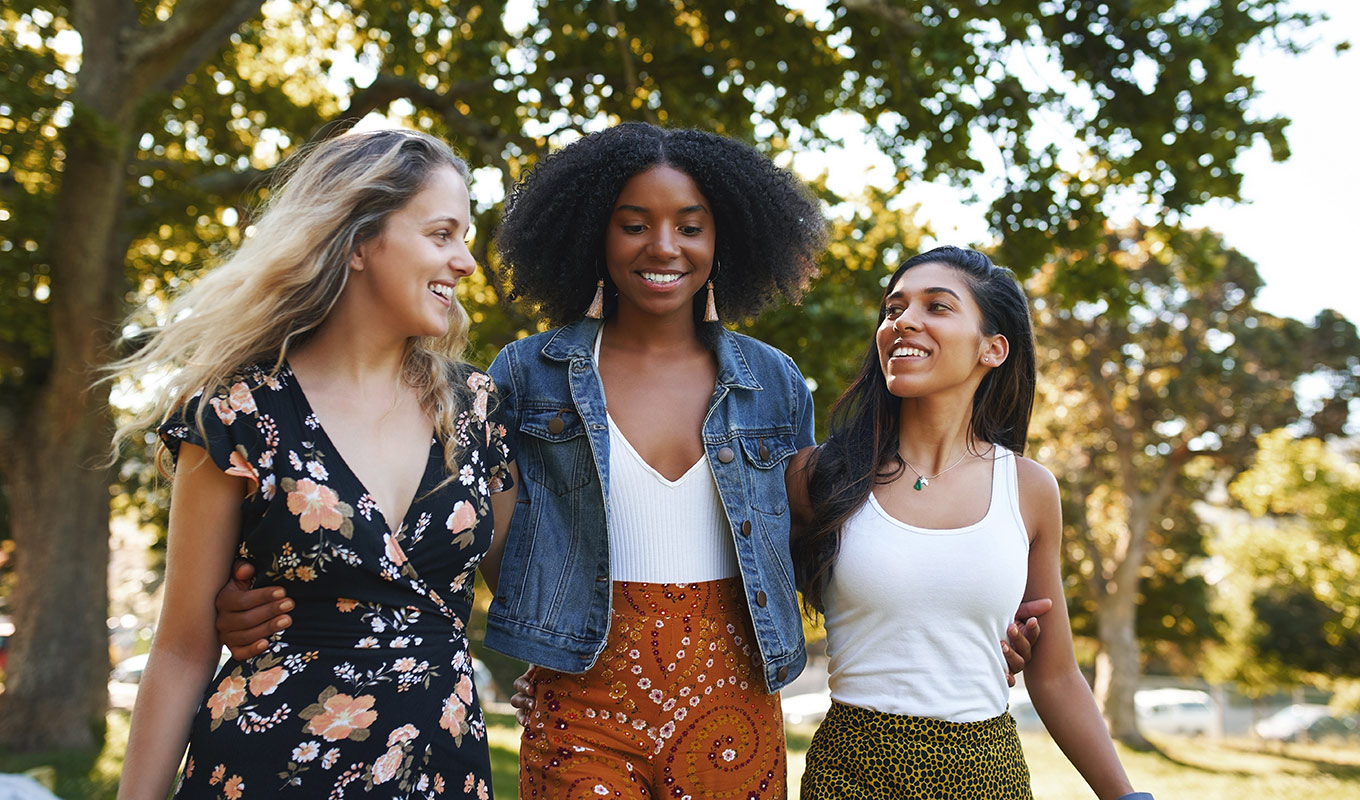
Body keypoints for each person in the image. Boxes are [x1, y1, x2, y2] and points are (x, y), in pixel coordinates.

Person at [212, 124, 1047, 797]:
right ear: (594, 232)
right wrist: (268, 598)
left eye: (691, 224)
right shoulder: (524, 374)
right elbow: (471, 541)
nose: (664, 245)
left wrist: (958, 616)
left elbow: (810, 547)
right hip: (579, 694)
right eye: (634, 222)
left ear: (725, 238)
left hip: (735, 703)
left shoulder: (773, 382)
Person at [112, 129, 518, 800]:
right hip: (262, 772)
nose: (467, 262)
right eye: (443, 234)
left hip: (440, 775)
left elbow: (532, 599)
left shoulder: (476, 410)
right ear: (360, 240)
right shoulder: (238, 412)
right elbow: (182, 649)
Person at [788, 246, 1152, 799]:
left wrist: (1127, 797)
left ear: (993, 348)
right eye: (893, 308)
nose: (903, 320)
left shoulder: (1029, 489)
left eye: (937, 307)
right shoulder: (819, 476)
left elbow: (1053, 674)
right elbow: (745, 614)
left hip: (987, 775)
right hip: (849, 773)